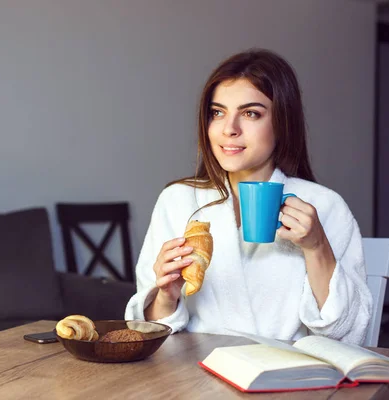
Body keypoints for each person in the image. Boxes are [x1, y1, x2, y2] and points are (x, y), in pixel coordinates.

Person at [124, 48, 373, 345]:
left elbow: (348, 333)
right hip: (197, 376)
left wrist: (316, 246)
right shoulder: (178, 201)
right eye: (218, 113)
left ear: (282, 122)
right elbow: (146, 332)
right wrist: (166, 294)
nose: (229, 129)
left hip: (290, 378)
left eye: (250, 113)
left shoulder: (324, 206)